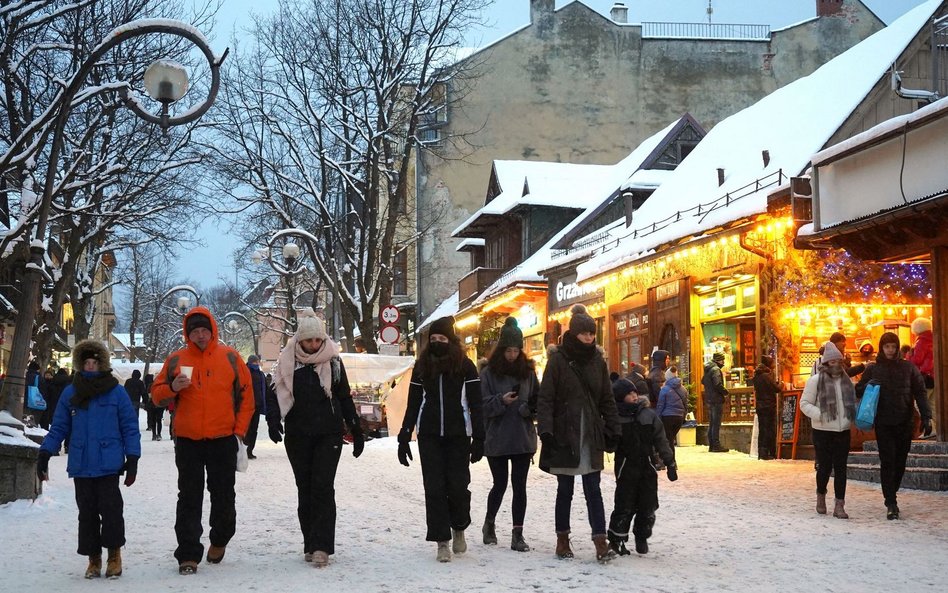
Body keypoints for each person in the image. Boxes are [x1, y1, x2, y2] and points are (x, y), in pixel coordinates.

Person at [151, 307, 254, 575]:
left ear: (212, 331)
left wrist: (238, 433)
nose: (200, 335)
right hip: (188, 440)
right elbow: (156, 395)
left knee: (223, 496)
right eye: (195, 331)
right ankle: (188, 553)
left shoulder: (230, 358)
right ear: (188, 334)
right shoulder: (176, 360)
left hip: (222, 439)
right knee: (189, 496)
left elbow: (247, 399)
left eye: (204, 330)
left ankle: (220, 538)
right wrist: (173, 388)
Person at [265, 310, 364, 567]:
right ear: (300, 341)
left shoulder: (332, 361)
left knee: (322, 486)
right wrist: (273, 420)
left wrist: (355, 427)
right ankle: (310, 541)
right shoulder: (287, 361)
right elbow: (275, 392)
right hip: (298, 435)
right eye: (309, 341)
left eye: (318, 340)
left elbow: (344, 396)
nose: (314, 345)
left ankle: (322, 546)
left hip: (328, 434)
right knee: (305, 488)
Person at [36, 339, 141, 579]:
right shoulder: (71, 392)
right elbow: (59, 426)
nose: (91, 366)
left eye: (95, 362)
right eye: (87, 362)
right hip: (82, 464)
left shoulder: (116, 391)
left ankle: (114, 555)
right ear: (81, 364)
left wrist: (132, 458)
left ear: (102, 364)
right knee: (87, 513)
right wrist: (45, 451)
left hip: (108, 464)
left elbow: (129, 427)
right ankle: (93, 559)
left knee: (112, 511)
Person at [537, 304, 621, 563]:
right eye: (584, 334)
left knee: (593, 488)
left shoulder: (597, 361)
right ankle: (562, 540)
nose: (589, 338)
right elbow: (546, 398)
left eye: (592, 334)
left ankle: (600, 541)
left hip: (591, 434)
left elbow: (607, 398)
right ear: (574, 333)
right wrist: (546, 432)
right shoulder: (558, 360)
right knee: (565, 490)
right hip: (565, 434)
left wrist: (614, 429)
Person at [397, 315, 484, 563]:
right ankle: (441, 541)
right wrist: (404, 435)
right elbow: (413, 403)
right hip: (430, 435)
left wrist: (479, 437)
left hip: (458, 435)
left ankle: (458, 527)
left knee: (457, 486)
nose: (436, 342)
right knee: (434, 488)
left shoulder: (466, 367)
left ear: (451, 340)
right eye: (433, 339)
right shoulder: (422, 367)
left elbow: (476, 403)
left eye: (441, 338)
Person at [478, 317, 539, 553]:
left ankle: (517, 533)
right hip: (498, 438)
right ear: (501, 349)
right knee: (500, 483)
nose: (512, 354)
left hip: (523, 437)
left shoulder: (528, 373)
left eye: (516, 350)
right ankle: (489, 523)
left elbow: (538, 399)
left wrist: (529, 409)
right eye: (509, 350)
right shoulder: (489, 374)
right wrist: (500, 401)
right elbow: (481, 406)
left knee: (520, 486)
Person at [855, 332, 931, 520]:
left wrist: (926, 417)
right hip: (883, 422)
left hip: (905, 421)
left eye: (893, 347)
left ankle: (891, 493)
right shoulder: (873, 369)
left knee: (900, 462)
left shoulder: (908, 368)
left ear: (897, 348)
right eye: (887, 347)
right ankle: (891, 501)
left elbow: (920, 392)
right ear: (881, 348)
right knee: (888, 461)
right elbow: (858, 390)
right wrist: (867, 386)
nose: (890, 350)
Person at [607, 380, 677, 556]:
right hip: (625, 468)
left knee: (648, 504)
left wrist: (669, 462)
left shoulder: (648, 415)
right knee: (624, 505)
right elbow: (608, 444)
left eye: (635, 393)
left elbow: (661, 439)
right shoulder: (616, 417)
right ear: (620, 397)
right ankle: (617, 540)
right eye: (629, 394)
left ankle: (642, 535)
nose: (634, 396)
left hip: (647, 467)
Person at [800, 342, 855, 519]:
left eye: (839, 361)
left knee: (841, 468)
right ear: (826, 364)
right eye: (832, 362)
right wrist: (821, 415)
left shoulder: (848, 382)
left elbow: (852, 402)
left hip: (843, 430)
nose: (836, 365)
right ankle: (821, 495)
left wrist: (852, 416)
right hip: (822, 430)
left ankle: (840, 504)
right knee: (824, 467)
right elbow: (804, 404)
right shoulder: (815, 381)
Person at [655, 365, 688, 463]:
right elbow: (685, 404)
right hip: (679, 417)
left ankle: (671, 461)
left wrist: (657, 417)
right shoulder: (683, 389)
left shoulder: (664, 389)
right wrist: (684, 416)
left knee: (668, 439)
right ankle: (670, 460)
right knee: (671, 438)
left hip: (667, 417)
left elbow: (660, 405)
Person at [909, 317, 935, 436]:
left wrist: (908, 356)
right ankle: (937, 429)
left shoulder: (921, 341)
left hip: (925, 376)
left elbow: (917, 360)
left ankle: (931, 429)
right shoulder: (935, 338)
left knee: (919, 403)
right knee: (933, 404)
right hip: (935, 376)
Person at [753, 355, 782, 460]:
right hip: (768, 405)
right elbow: (776, 389)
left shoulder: (756, 376)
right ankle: (769, 452)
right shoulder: (766, 376)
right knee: (769, 429)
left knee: (762, 429)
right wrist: (781, 384)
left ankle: (762, 452)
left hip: (760, 406)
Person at [702, 352, 730, 452]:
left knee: (712, 422)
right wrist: (725, 391)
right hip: (716, 399)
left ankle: (712, 445)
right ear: (718, 360)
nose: (723, 363)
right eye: (722, 360)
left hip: (709, 399)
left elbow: (703, 381)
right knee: (716, 423)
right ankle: (716, 445)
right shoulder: (716, 370)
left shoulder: (708, 369)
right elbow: (717, 384)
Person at [245, 355, 267, 460]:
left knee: (254, 429)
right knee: (246, 429)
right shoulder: (244, 372)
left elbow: (264, 389)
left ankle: (249, 450)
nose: (257, 364)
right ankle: (244, 450)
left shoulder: (260, 374)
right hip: (246, 406)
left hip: (257, 405)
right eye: (256, 362)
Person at [42, 367, 70, 433]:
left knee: (53, 418)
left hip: (53, 402)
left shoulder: (54, 379)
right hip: (63, 402)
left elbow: (49, 390)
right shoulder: (68, 381)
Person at [24, 360, 47, 425]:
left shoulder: (24, 376)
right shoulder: (39, 378)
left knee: (24, 422)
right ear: (37, 369)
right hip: (36, 404)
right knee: (33, 423)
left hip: (24, 403)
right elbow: (44, 392)